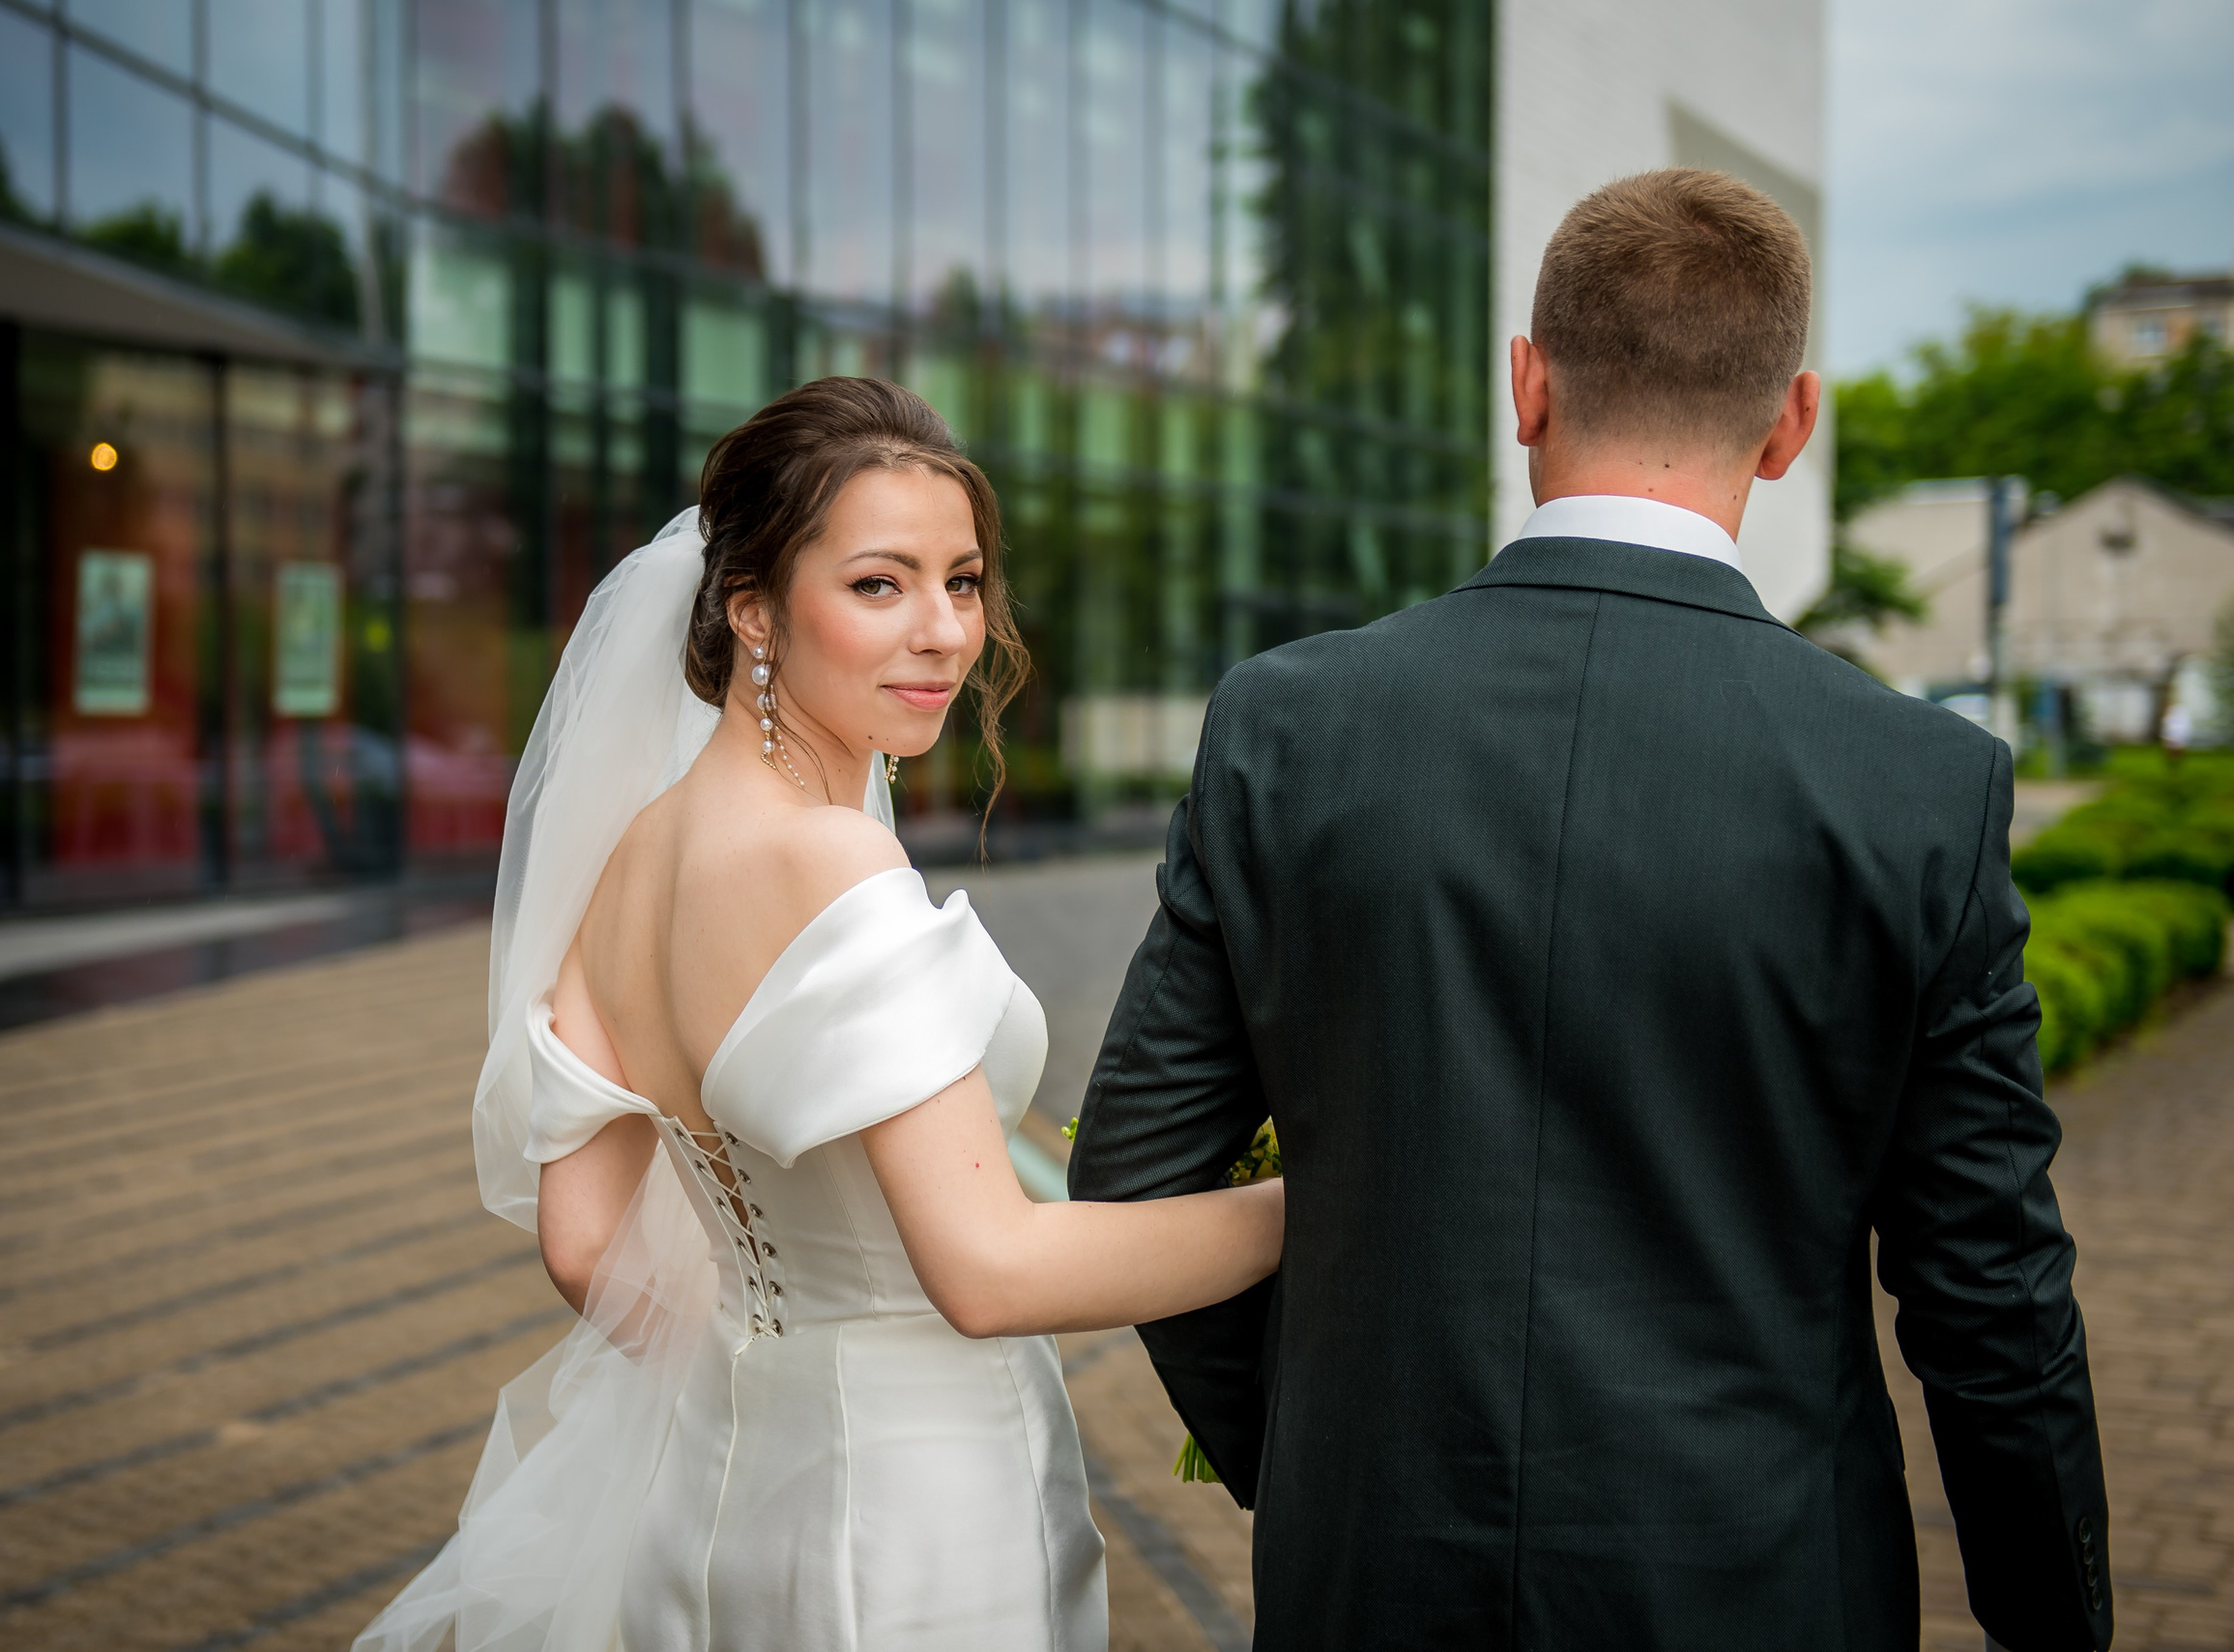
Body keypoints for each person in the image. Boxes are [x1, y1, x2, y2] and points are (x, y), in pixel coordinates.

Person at [1068, 169, 2110, 1652]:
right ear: (1792, 421)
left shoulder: (1288, 725)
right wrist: (2055, 1620)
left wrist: (1305, 1457)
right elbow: (1989, 1293)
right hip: (1757, 1584)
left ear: (1526, 384)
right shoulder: (1919, 785)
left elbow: (1139, 1169)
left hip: (1370, 1580)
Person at [355, 376, 1284, 1652]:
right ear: (753, 609)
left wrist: (776, 1321)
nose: (947, 631)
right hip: (916, 1512)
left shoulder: (627, 863)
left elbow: (581, 1246)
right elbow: (990, 1267)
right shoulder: (830, 862)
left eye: (962, 581)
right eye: (878, 583)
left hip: (719, 1481)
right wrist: (1313, 1204)